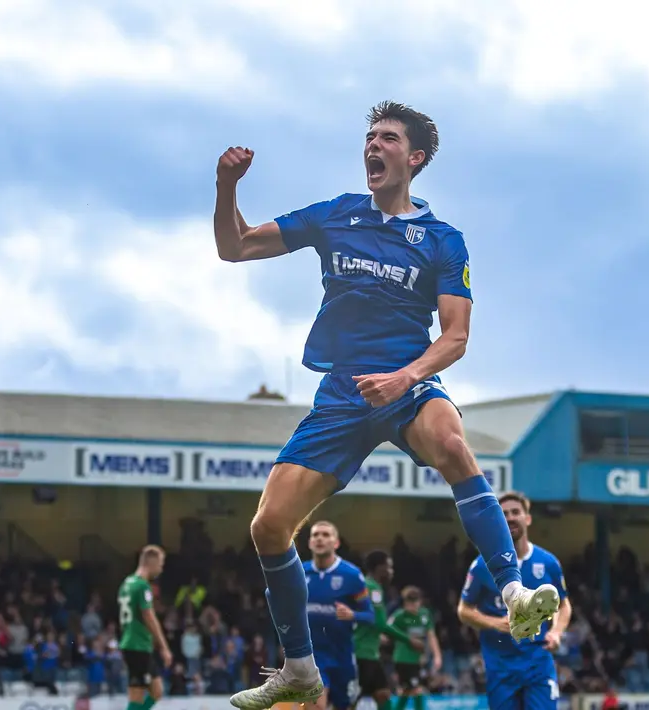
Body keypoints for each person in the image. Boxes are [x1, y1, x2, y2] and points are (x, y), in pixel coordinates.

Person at [216, 101, 558, 710]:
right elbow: (235, 247)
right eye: (369, 137)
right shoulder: (336, 215)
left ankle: (513, 592)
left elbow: (455, 337)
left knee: (453, 444)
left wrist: (405, 378)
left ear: (414, 157)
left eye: (388, 138)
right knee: (268, 526)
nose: (373, 145)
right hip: (342, 395)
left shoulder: (443, 241)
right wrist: (225, 186)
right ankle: (298, 670)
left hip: (408, 383)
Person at [458, 492, 571, 710]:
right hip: (500, 665)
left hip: (538, 662)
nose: (510, 517)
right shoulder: (482, 565)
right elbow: (464, 610)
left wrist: (556, 631)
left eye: (515, 512)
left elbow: (563, 604)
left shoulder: (548, 563)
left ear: (527, 518)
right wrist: (496, 624)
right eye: (504, 513)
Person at [300, 521, 373, 710]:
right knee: (315, 706)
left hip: (343, 656)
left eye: (325, 535)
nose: (320, 539)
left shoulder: (351, 575)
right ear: (309, 543)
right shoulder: (299, 572)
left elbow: (370, 616)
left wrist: (352, 615)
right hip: (312, 656)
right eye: (315, 535)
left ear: (336, 543)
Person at [354, 551, 418, 710]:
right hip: (363, 653)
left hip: (368, 652)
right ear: (380, 567)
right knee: (352, 700)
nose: (391, 571)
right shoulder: (373, 588)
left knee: (383, 694)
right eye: (389, 567)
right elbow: (381, 624)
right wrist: (409, 640)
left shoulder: (365, 585)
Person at [117, 546, 173, 710]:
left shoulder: (126, 584)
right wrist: (163, 647)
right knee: (148, 692)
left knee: (148, 692)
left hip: (130, 643)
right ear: (152, 563)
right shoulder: (142, 586)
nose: (161, 569)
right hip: (138, 645)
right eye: (160, 564)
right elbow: (149, 617)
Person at [388, 587, 441, 710]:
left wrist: (437, 656)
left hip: (417, 659)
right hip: (403, 659)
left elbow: (431, 636)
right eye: (409, 603)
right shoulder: (399, 616)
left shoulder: (425, 614)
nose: (412, 606)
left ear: (420, 601)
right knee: (417, 690)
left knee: (406, 691)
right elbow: (386, 630)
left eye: (414, 602)